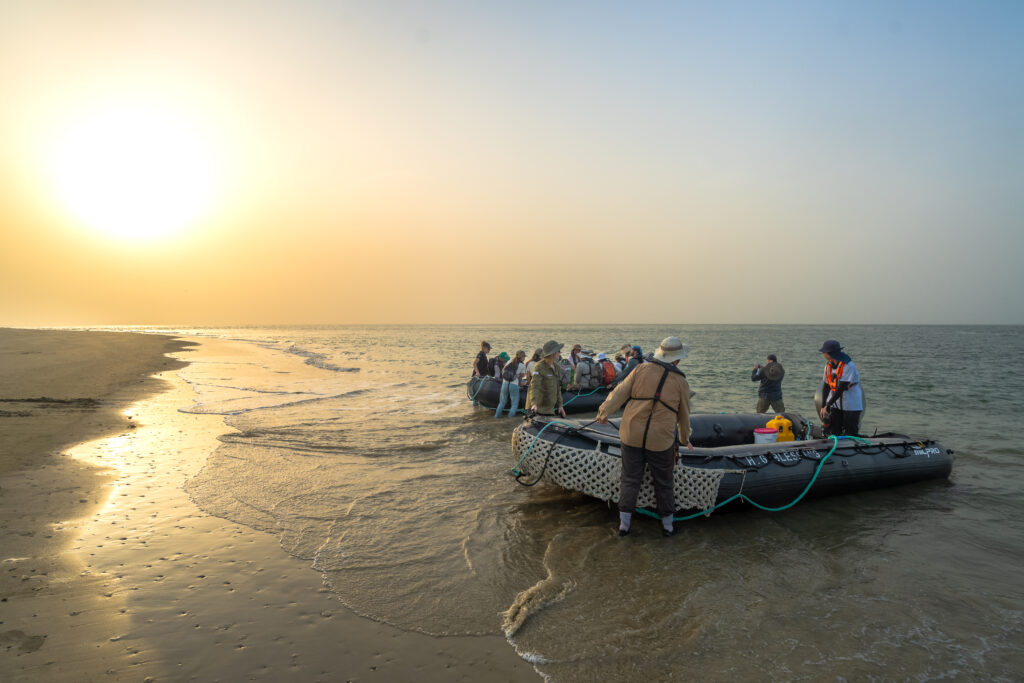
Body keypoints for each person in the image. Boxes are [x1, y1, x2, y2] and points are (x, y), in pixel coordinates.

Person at [596, 336, 693, 538]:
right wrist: (684, 439)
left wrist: (603, 412)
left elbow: (619, 392)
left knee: (630, 479)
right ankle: (667, 527)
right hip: (661, 440)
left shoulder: (641, 369)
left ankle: (624, 526)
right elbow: (684, 416)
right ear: (677, 359)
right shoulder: (681, 382)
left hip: (632, 433)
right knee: (664, 482)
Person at [818, 339, 863, 436]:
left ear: (830, 353)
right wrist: (823, 405)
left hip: (851, 402)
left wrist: (828, 405)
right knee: (834, 430)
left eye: (824, 352)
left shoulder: (848, 365)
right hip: (835, 403)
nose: (823, 354)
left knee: (850, 430)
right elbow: (826, 386)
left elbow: (841, 388)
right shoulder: (828, 366)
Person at [525, 340, 567, 418]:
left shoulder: (557, 367)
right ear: (553, 353)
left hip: (550, 408)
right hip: (538, 408)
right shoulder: (539, 367)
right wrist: (534, 404)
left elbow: (558, 388)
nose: (560, 353)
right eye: (558, 351)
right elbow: (535, 386)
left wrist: (560, 406)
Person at [496, 350, 527, 418]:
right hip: (514, 385)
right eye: (524, 357)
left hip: (505, 383)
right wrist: (518, 378)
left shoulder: (509, 361)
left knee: (502, 402)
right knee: (514, 404)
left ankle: (497, 417)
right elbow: (522, 375)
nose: (524, 358)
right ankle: (510, 418)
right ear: (521, 357)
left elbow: (503, 370)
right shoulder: (522, 365)